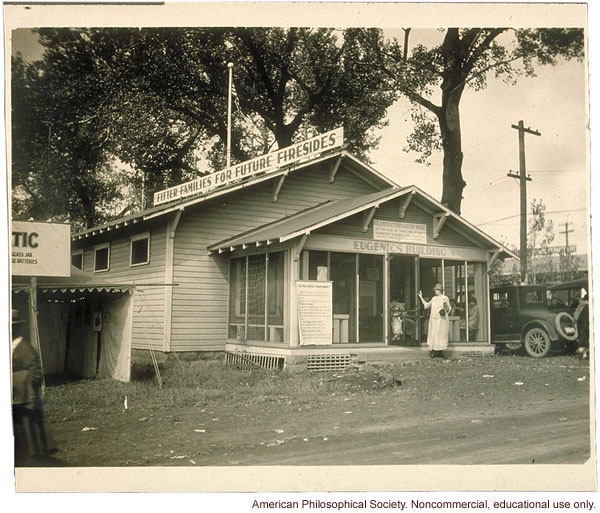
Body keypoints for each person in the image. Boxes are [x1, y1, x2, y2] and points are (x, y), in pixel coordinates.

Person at [11, 308, 48, 464]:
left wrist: (21, 381)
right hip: (13, 397)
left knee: (25, 433)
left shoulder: (24, 348)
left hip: (24, 398)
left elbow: (36, 372)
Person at [418, 283, 451, 358]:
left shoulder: (444, 298)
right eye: (435, 290)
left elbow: (449, 308)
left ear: (440, 290)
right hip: (434, 320)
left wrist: (445, 308)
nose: (435, 291)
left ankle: (440, 352)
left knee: (441, 335)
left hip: (441, 320)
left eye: (437, 290)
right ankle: (434, 351)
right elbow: (426, 306)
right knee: (434, 334)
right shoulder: (434, 298)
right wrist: (421, 297)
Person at [573, 288, 589, 359]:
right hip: (588, 323)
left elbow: (576, 315)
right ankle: (585, 353)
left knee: (582, 336)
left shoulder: (581, 306)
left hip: (582, 323)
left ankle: (583, 352)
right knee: (587, 337)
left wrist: (575, 321)